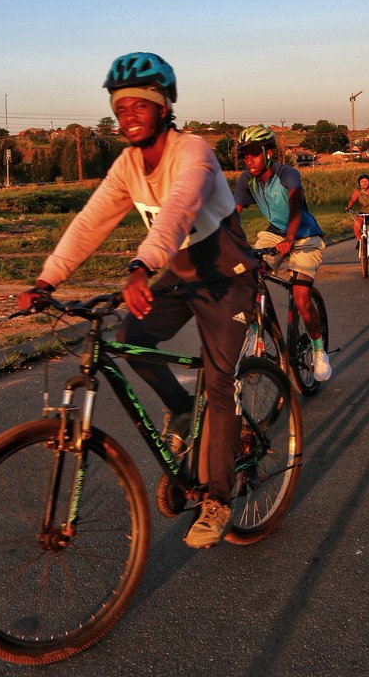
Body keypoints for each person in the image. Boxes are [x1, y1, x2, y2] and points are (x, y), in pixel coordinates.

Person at [17, 52, 256, 550]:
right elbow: (91, 222)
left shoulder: (193, 152)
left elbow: (177, 208)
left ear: (165, 107)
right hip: (179, 272)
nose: (128, 112)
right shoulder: (127, 165)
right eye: (119, 104)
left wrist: (141, 266)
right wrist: (47, 281)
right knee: (130, 337)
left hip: (226, 277)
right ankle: (181, 410)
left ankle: (218, 500)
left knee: (218, 380)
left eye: (140, 104)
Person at [232, 124, 332, 381]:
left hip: (305, 235)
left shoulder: (287, 173)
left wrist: (290, 239)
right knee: (248, 275)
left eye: (253, 153)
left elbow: (295, 205)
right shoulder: (246, 180)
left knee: (300, 296)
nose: (248, 160)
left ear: (268, 153)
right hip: (275, 232)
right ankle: (256, 331)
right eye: (244, 154)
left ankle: (319, 350)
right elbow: (233, 216)